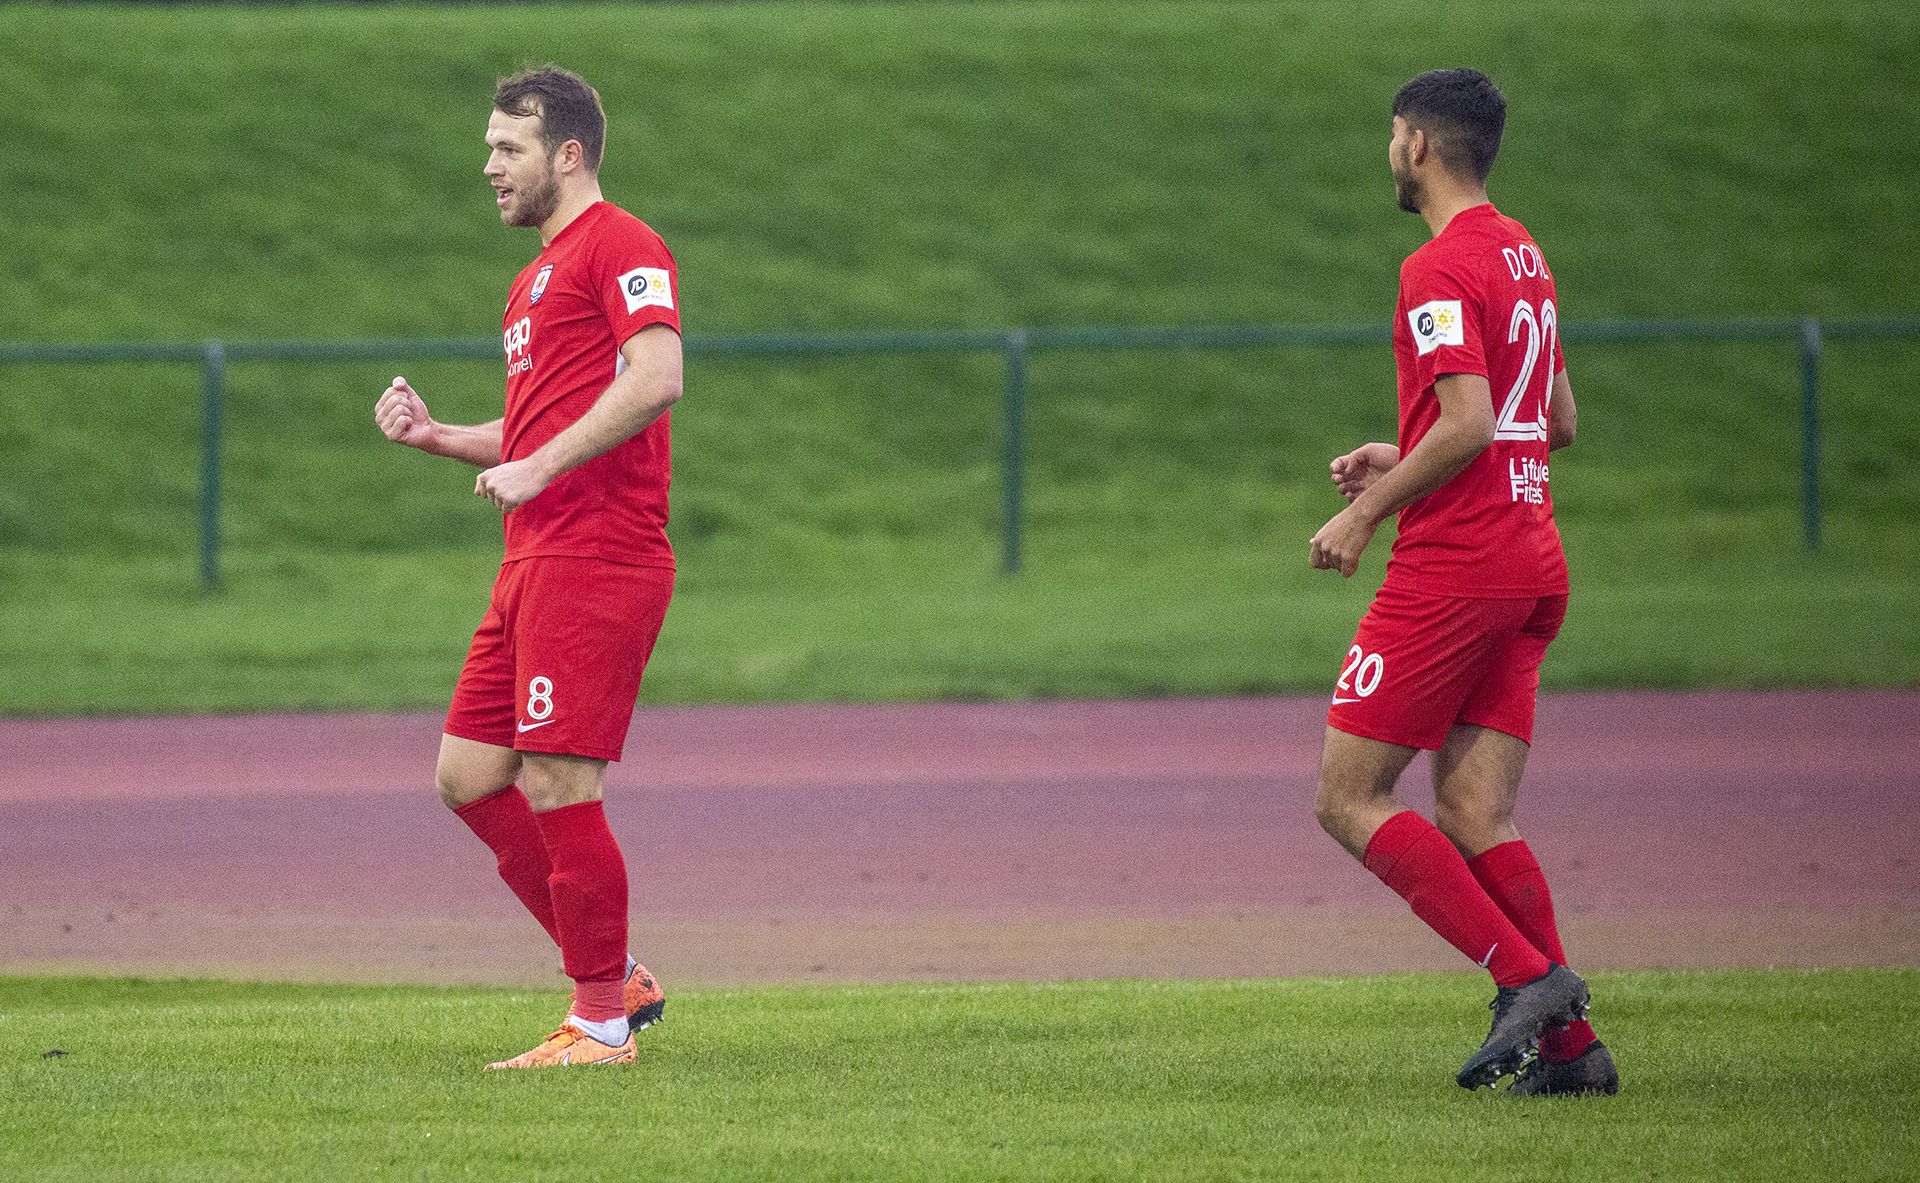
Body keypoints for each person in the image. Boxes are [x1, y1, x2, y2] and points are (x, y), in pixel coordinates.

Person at [1307, 68, 1615, 1095]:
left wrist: (1364, 512)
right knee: (1476, 807)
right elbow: (1551, 423)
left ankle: (1526, 979)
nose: (1390, 153)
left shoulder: (1434, 266)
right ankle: (1572, 1054)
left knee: (1349, 795)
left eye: (1393, 136)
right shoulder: (1524, 252)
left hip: (1457, 566)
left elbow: (1474, 424)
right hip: (1533, 560)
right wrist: (1399, 453)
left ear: (1419, 145)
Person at [374, 65, 682, 1069]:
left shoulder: (622, 242)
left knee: (557, 780)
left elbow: (660, 374)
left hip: (598, 551)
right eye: (489, 148)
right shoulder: (530, 279)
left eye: (508, 148)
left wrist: (540, 467)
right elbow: (534, 425)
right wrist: (440, 439)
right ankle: (614, 971)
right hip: (533, 552)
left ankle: (598, 1023)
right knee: (468, 776)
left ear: (569, 153)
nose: (489, 166)